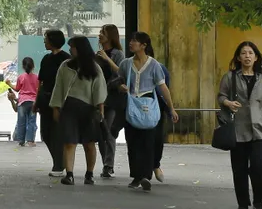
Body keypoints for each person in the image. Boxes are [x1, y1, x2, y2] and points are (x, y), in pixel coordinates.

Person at [218, 41, 262, 209]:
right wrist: (228, 103)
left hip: (258, 129)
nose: (247, 56)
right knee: (239, 169)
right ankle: (243, 204)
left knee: (259, 166)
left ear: (256, 57)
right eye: (244, 53)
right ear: (238, 57)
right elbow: (221, 96)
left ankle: (258, 200)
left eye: (250, 53)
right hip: (238, 129)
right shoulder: (230, 77)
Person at [118, 31, 178, 192]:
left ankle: (145, 176)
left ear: (144, 45)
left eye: (135, 41)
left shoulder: (154, 65)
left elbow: (163, 87)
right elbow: (117, 79)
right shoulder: (126, 64)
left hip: (148, 105)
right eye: (131, 40)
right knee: (133, 142)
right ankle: (136, 175)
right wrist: (120, 86)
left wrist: (171, 108)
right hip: (131, 104)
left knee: (148, 142)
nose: (131, 43)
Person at [50, 36, 108, 185]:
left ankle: (89, 174)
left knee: (89, 143)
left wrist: (100, 110)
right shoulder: (65, 66)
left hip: (89, 109)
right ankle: (69, 174)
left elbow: (99, 90)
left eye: (73, 47)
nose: (70, 49)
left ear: (81, 48)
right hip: (69, 109)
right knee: (69, 142)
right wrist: (56, 107)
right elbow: (58, 88)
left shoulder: (94, 68)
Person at [36, 29, 71, 177]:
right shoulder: (46, 59)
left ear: (53, 40)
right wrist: (36, 101)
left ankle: (58, 165)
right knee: (45, 133)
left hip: (60, 101)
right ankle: (59, 161)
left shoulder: (66, 59)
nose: (44, 41)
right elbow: (41, 82)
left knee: (57, 134)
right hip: (45, 100)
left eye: (46, 38)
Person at [94, 24, 126, 179]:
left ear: (111, 36)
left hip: (112, 98)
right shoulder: (97, 54)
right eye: (100, 32)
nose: (100, 34)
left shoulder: (118, 54)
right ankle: (106, 163)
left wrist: (106, 58)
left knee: (109, 132)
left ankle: (108, 165)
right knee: (101, 133)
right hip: (99, 97)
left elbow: (121, 72)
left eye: (103, 32)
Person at [8, 57, 39, 147]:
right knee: (32, 122)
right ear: (33, 66)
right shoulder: (37, 77)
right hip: (33, 102)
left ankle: (21, 141)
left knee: (21, 122)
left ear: (23, 66)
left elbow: (17, 89)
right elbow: (39, 90)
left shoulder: (21, 77)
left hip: (22, 102)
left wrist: (9, 83)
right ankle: (30, 141)